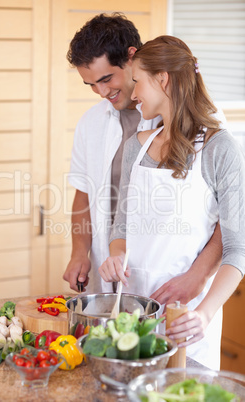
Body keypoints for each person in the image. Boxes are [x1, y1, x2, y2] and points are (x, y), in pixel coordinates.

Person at [98, 35, 245, 369]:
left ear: (162, 79)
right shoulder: (136, 147)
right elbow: (122, 226)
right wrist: (115, 257)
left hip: (186, 322)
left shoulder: (220, 149)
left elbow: (238, 248)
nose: (133, 94)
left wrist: (204, 314)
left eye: (138, 82)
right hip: (130, 318)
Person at [63, 13, 223, 306]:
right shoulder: (91, 124)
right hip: (112, 280)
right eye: (91, 85)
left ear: (132, 58)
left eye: (107, 79)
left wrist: (199, 276)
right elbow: (84, 194)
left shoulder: (205, 127)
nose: (102, 92)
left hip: (179, 285)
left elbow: (231, 217)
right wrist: (79, 252)